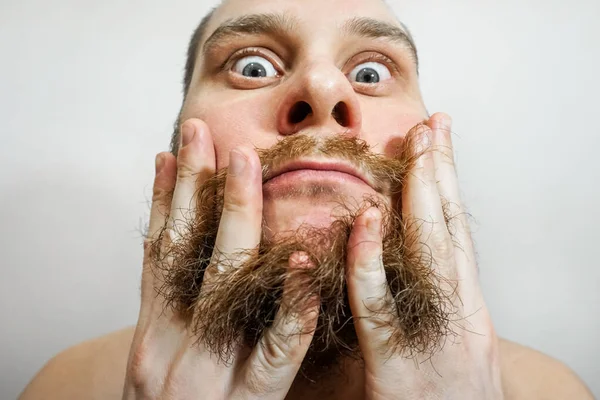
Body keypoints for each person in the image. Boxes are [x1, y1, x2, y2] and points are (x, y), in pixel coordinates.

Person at [19, 0, 594, 399]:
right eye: (252, 66)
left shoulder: (551, 392)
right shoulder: (64, 387)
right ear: (180, 145)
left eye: (370, 72)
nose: (324, 91)